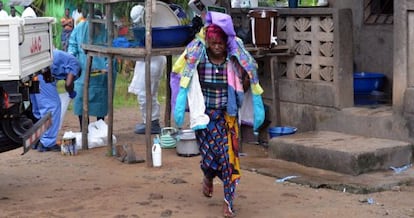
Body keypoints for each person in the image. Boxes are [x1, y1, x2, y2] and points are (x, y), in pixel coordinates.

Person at [173, 11, 265, 217]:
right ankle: (207, 176)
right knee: (208, 159)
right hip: (204, 119)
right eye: (213, 42)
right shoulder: (199, 59)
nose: (216, 46)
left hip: (227, 118)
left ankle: (228, 202)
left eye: (220, 43)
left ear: (225, 44)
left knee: (228, 160)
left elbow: (250, 75)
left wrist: (245, 81)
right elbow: (182, 76)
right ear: (207, 43)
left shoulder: (233, 61)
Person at [128, 0, 187, 134]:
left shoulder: (152, 16)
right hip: (152, 57)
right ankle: (149, 120)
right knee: (147, 93)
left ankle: (152, 122)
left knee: (146, 93)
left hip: (154, 59)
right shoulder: (146, 19)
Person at [68, 9, 116, 130]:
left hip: (101, 75)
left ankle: (100, 128)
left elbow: (111, 50)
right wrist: (72, 58)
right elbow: (72, 45)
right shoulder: (80, 28)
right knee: (81, 101)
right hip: (83, 72)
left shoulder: (105, 30)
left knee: (101, 101)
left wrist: (107, 65)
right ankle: (84, 129)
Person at [30, 49, 80, 152]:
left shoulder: (67, 60)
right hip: (43, 72)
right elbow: (69, 84)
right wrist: (71, 92)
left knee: (39, 109)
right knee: (52, 106)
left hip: (33, 70)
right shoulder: (76, 65)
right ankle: (47, 143)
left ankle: (37, 140)